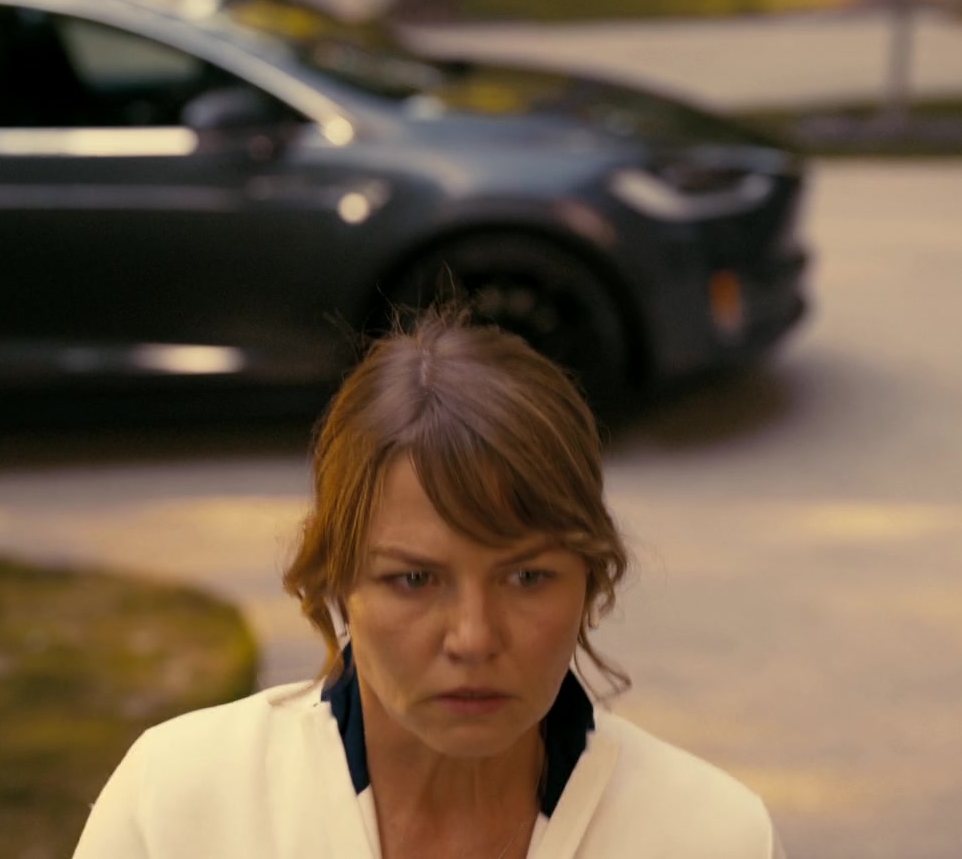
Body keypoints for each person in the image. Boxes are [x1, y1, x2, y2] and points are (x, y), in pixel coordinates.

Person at [73, 310, 786, 858]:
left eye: (527, 576)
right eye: (414, 578)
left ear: (591, 578)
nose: (473, 638)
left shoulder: (711, 836)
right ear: (334, 577)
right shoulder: (179, 805)